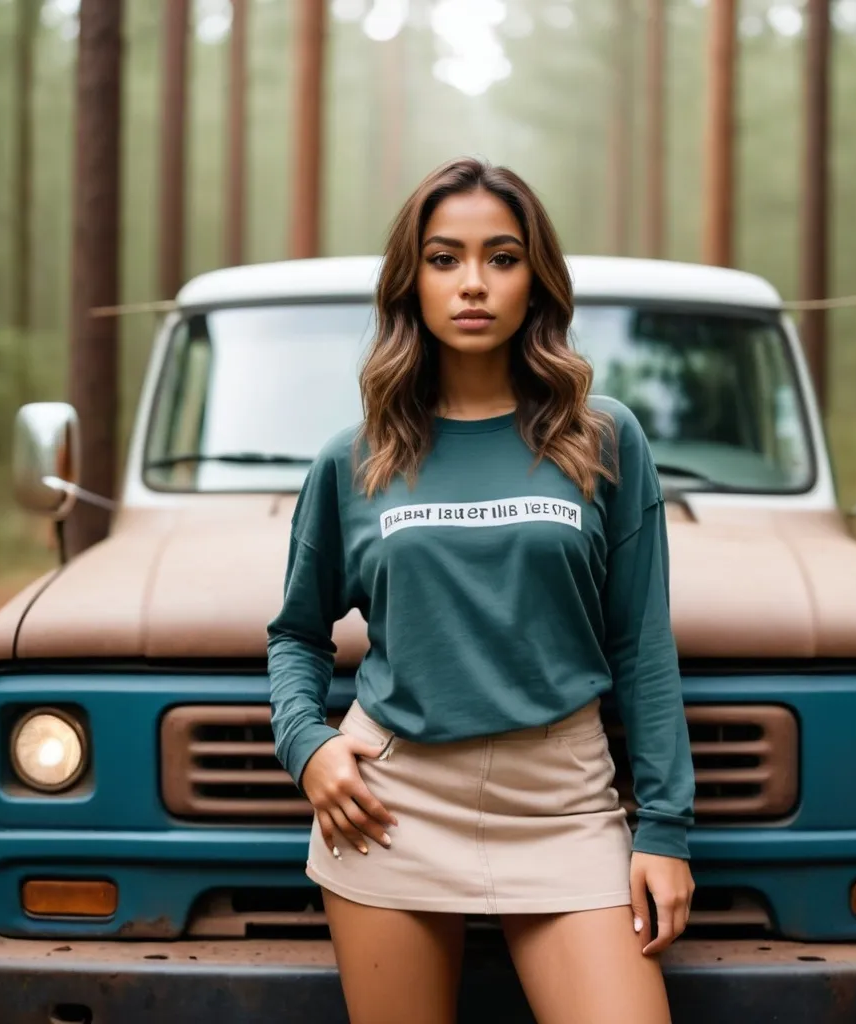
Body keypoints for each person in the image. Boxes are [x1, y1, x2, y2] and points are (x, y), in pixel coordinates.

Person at [267, 156, 696, 1024]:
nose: (473, 283)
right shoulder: (353, 459)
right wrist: (306, 744)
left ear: (535, 280)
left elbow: (641, 643)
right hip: (392, 803)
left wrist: (665, 829)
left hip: (564, 800)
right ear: (410, 282)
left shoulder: (603, 438)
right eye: (444, 258)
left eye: (501, 258)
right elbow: (298, 634)